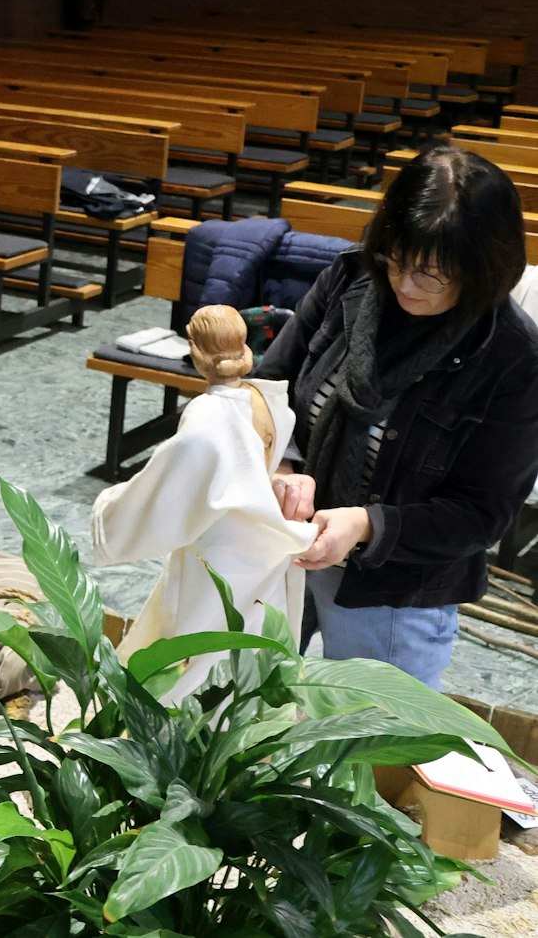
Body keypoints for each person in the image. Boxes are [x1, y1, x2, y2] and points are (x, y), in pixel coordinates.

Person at [256, 145, 538, 689]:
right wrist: (285, 469)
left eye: (434, 275)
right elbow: (271, 388)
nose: (407, 285)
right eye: (399, 259)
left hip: (392, 591)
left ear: (484, 269)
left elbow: (483, 513)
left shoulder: (513, 360)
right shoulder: (353, 280)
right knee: (240, 722)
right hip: (283, 545)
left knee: (362, 751)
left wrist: (364, 524)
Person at [91, 305, 316, 699]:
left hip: (216, 547)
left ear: (196, 350)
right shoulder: (264, 396)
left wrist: (110, 508)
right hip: (262, 545)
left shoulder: (210, 412)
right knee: (249, 639)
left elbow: (173, 481)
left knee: (196, 650)